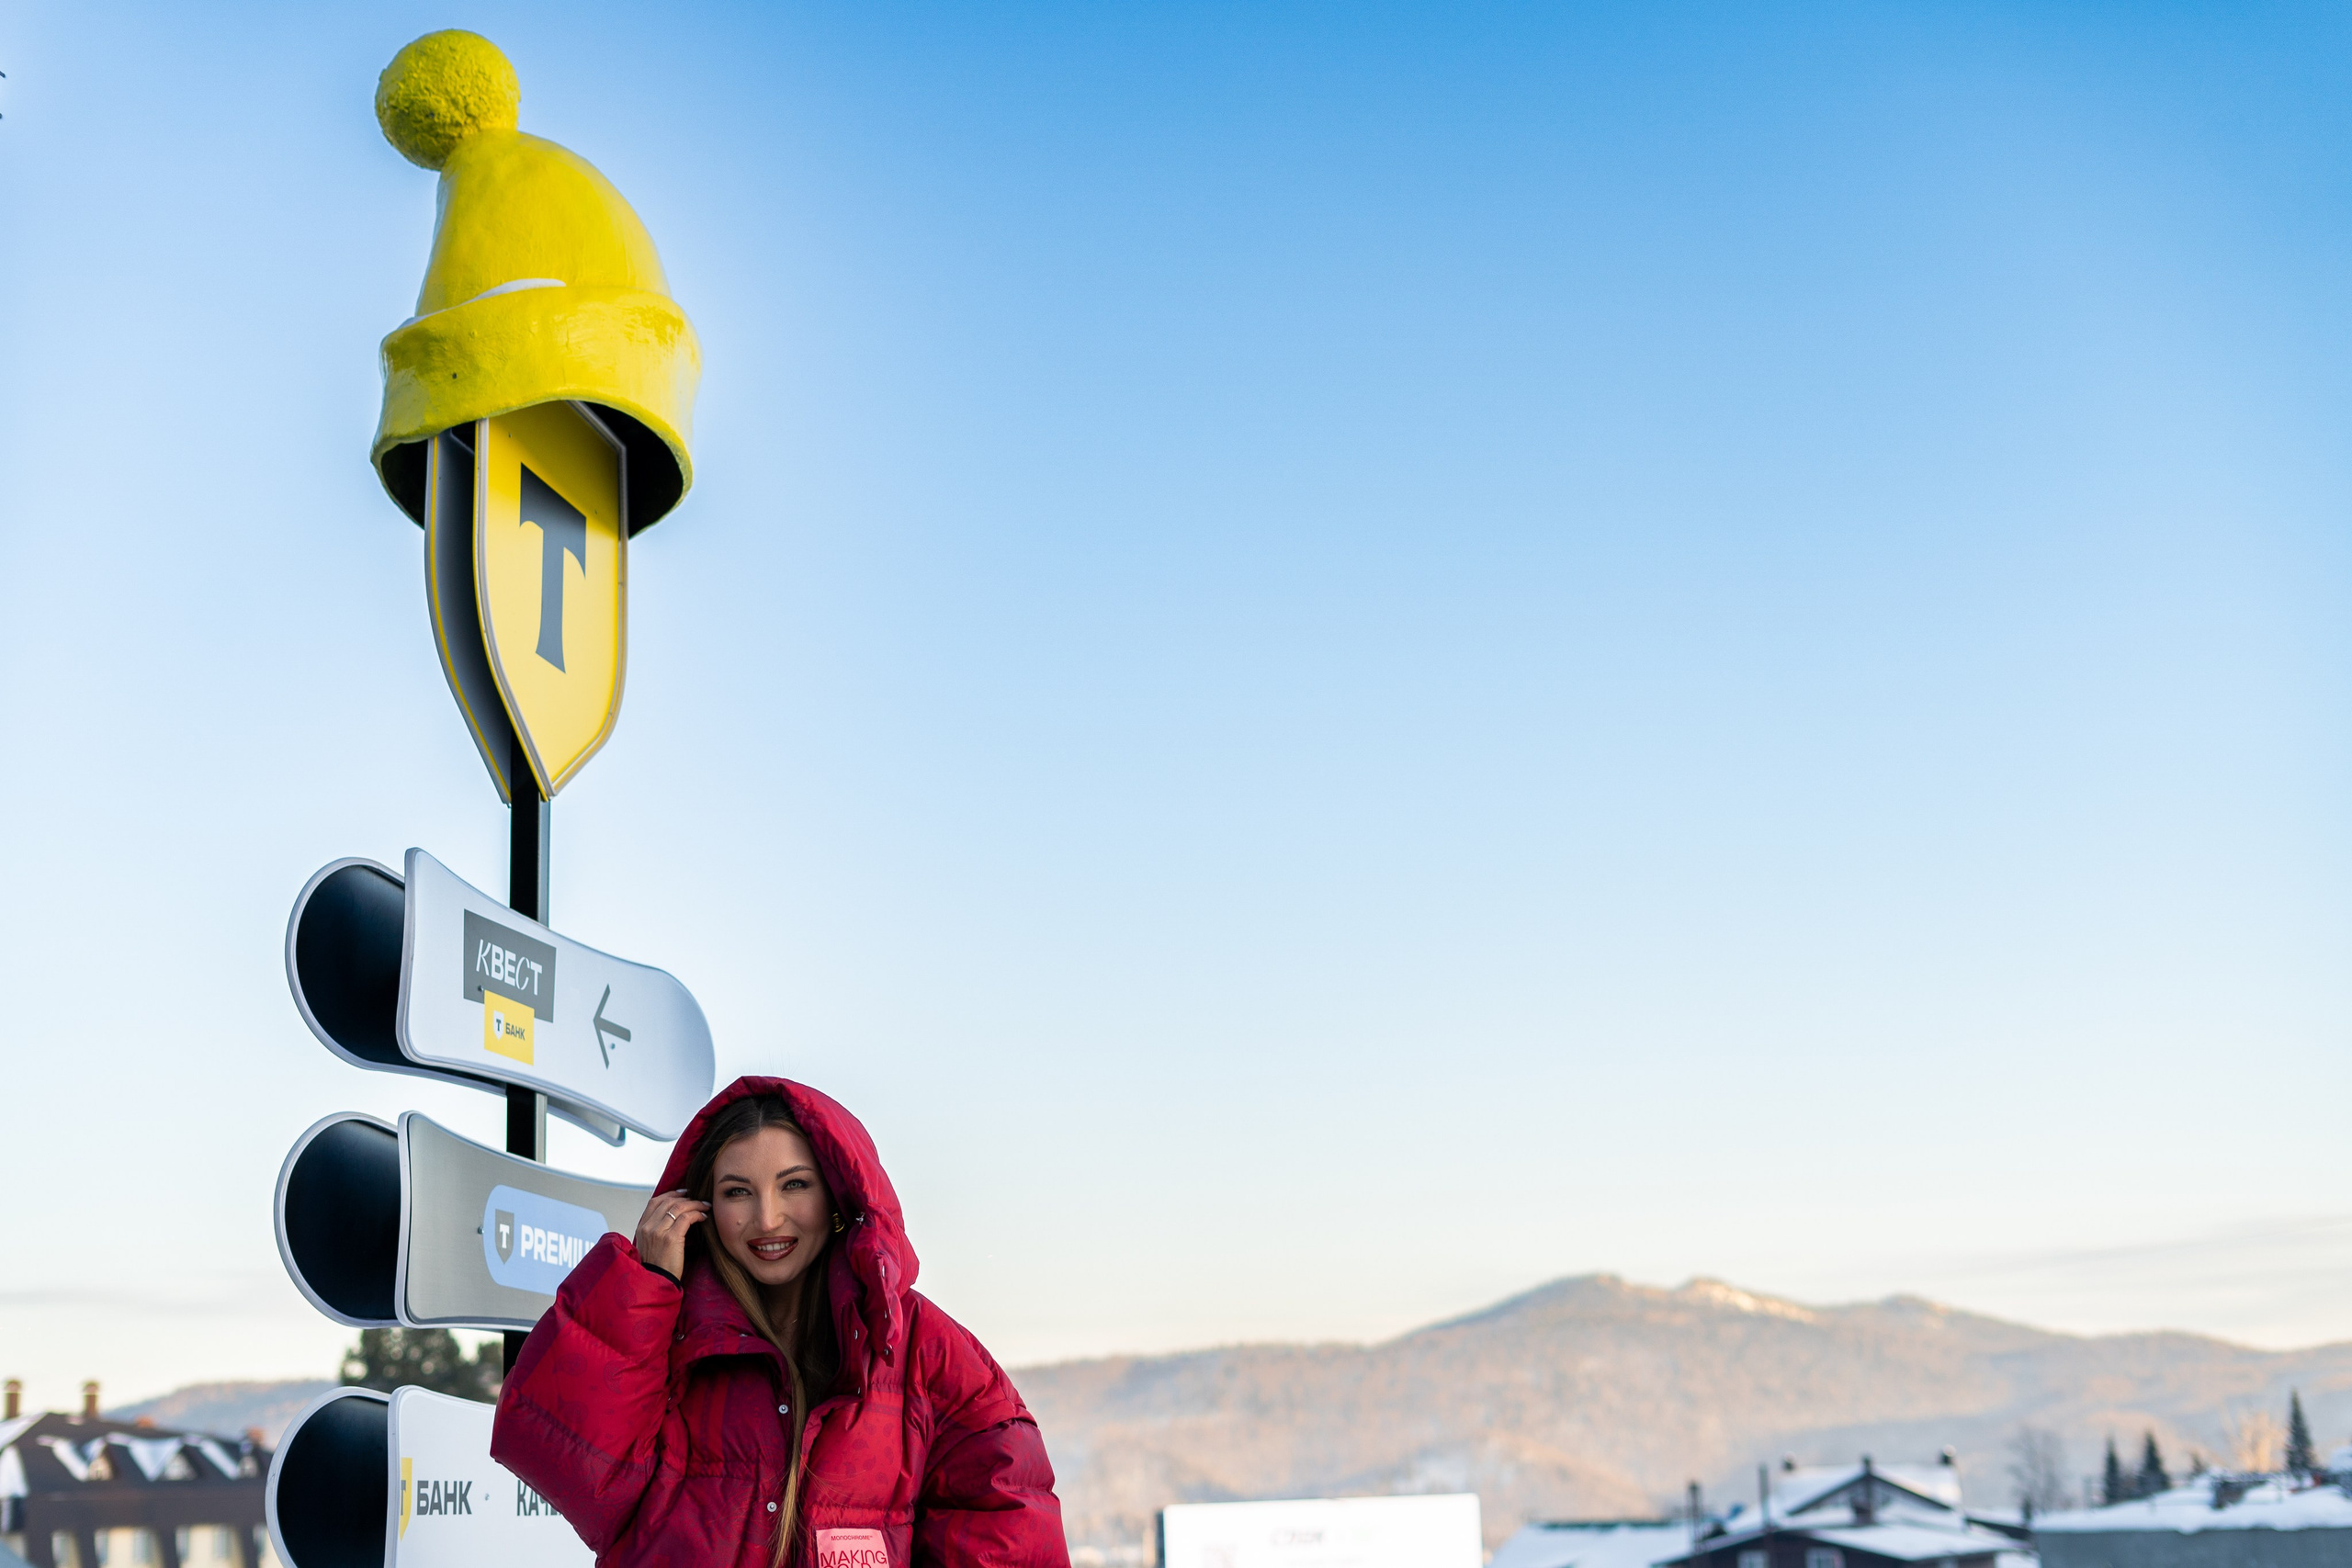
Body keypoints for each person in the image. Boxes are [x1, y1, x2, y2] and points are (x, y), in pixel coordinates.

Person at [493, 1076, 1069, 1568]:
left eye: (795, 1184)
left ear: (838, 1195)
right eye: (737, 1191)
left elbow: (1007, 1517)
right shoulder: (665, 1328)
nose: (767, 1219)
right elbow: (576, 1473)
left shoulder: (916, 1343)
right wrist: (644, 1288)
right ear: (702, 1206)